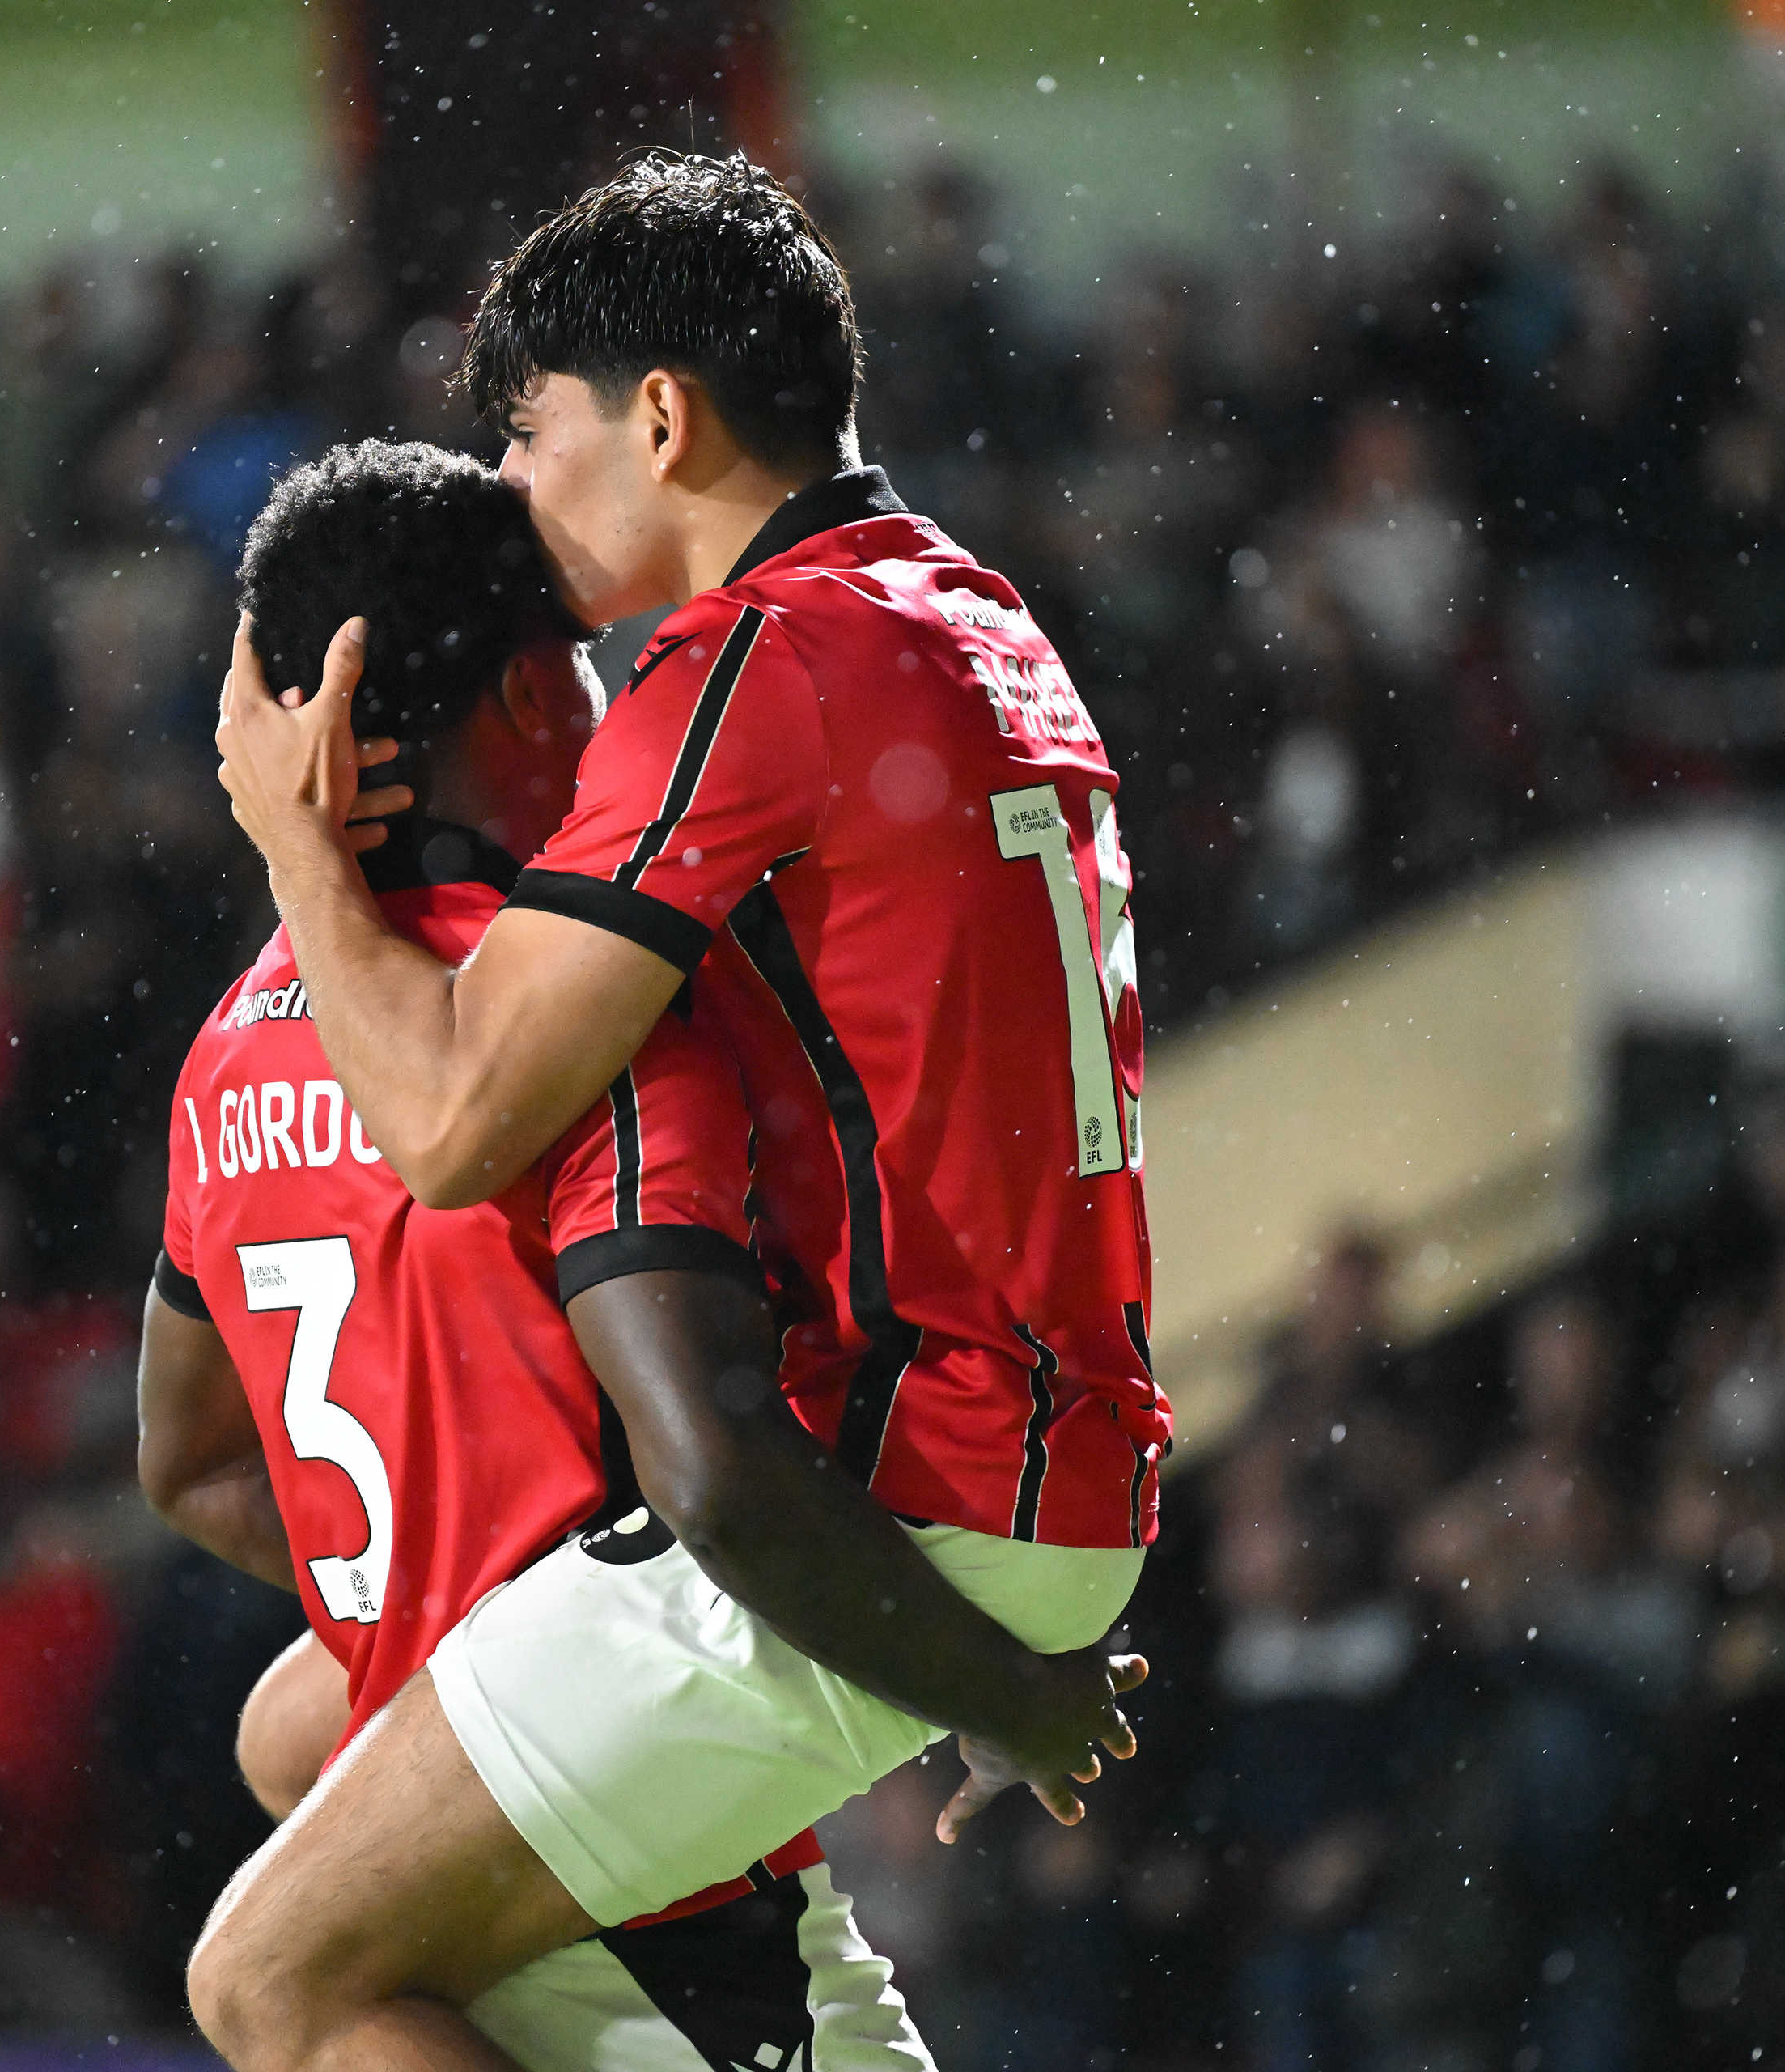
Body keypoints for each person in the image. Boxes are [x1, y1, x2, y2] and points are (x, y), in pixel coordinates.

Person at [203, 156, 1165, 2070]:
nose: (512, 485)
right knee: (311, 1730)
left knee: (271, 1975)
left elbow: (456, 1120)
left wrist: (291, 842)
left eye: (527, 428)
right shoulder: (978, 619)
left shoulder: (754, 661)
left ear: (660, 416)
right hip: (1044, 1455)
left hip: (894, 1474)